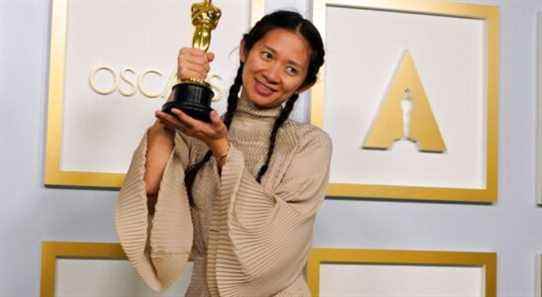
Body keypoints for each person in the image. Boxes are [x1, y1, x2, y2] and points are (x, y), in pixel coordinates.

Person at [115, 10, 331, 297]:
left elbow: (276, 240)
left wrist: (221, 148)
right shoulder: (200, 130)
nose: (272, 74)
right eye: (267, 55)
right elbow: (151, 188)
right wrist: (181, 92)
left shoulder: (310, 144)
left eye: (291, 69)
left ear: (304, 84)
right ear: (244, 50)